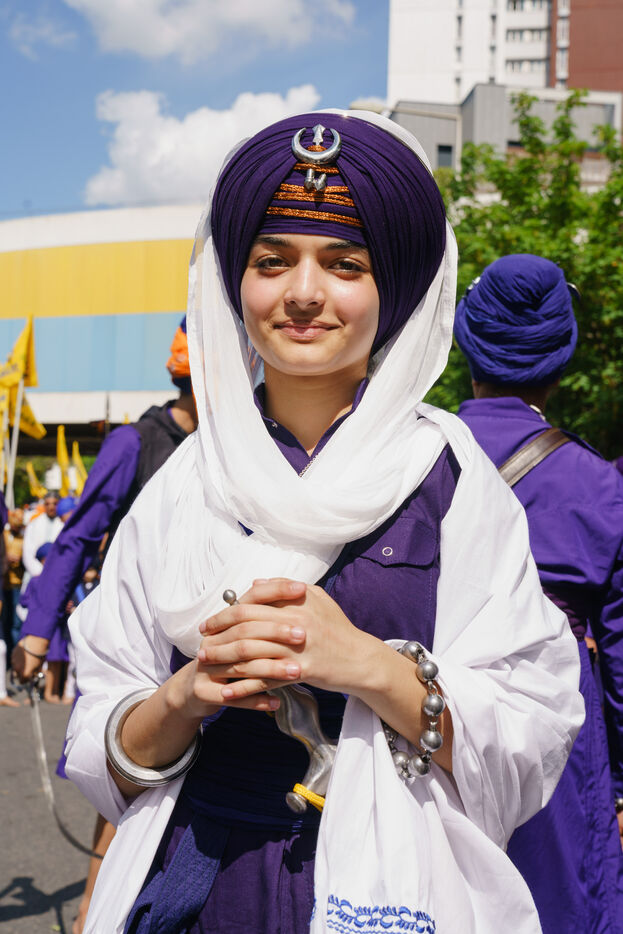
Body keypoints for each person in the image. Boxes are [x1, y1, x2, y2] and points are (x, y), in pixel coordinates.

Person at [64, 112, 583, 934]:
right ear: (234, 283)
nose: (303, 293)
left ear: (393, 290)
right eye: (272, 262)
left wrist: (371, 666)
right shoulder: (184, 486)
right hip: (200, 887)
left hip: (394, 884)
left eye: (344, 265)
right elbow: (105, 745)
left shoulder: (448, 478)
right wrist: (185, 694)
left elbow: (533, 729)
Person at [11, 318, 198, 934]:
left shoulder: (254, 441)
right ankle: (95, 914)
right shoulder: (134, 443)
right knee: (129, 785)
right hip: (143, 653)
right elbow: (76, 538)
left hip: (219, 651)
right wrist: (36, 632)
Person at [454, 253, 623, 932]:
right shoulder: (599, 485)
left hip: (425, 706)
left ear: (466, 342)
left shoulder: (411, 458)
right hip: (558, 727)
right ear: (561, 362)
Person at [21, 492, 62, 584]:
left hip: (56, 577)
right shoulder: (33, 525)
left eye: (54, 504)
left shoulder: (63, 525)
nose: (51, 507)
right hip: (34, 576)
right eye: (47, 504)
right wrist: (40, 573)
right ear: (44, 505)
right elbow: (27, 554)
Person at [2, 507, 24, 657]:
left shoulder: (23, 538)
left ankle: (14, 654)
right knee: (5, 620)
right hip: (4, 583)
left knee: (16, 622)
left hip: (17, 584)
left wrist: (19, 560)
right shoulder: (4, 536)